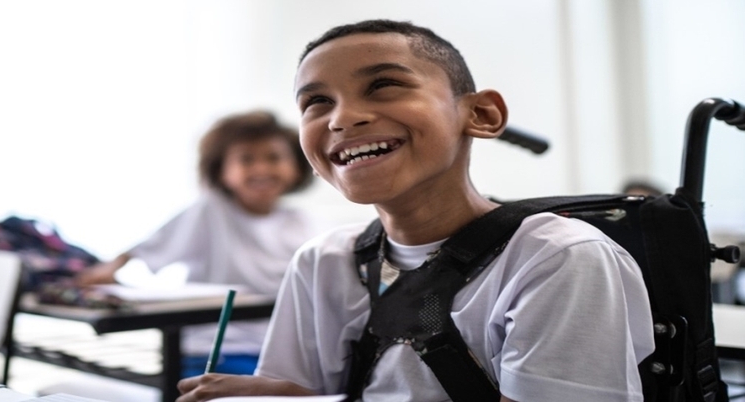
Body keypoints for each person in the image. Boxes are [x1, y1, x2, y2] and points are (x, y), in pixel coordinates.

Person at [176, 20, 655, 401]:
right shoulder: (322, 261)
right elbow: (308, 392)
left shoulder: (556, 259)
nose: (342, 118)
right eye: (317, 102)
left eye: (384, 85)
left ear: (481, 115)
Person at [75, 110, 319, 378]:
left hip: (277, 351)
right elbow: (149, 246)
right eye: (246, 160)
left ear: (297, 165)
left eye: (274, 158)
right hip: (214, 350)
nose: (261, 168)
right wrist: (109, 269)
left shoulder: (301, 222)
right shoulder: (212, 211)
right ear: (221, 171)